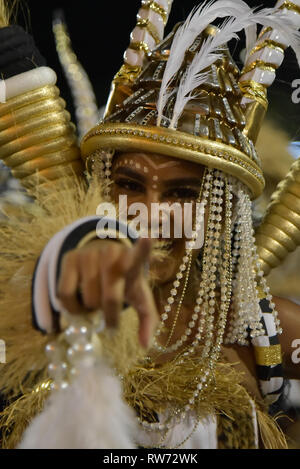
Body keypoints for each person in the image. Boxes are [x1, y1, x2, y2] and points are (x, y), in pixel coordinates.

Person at [0, 0, 300, 449]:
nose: (152, 213)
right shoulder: (33, 317)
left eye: (182, 193)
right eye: (129, 184)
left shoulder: (273, 334)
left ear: (220, 209)